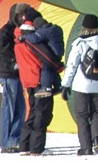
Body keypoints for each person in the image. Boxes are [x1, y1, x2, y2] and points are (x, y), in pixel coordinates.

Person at [15, 8, 65, 156]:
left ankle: (24, 146)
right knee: (42, 114)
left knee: (31, 113)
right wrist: (59, 67)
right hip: (39, 80)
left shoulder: (17, 38)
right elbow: (48, 58)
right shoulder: (32, 40)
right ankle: (37, 148)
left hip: (27, 80)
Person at [61, 13, 98, 155]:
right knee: (97, 113)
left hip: (81, 85)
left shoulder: (80, 43)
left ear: (84, 27)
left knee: (82, 115)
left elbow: (72, 65)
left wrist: (66, 85)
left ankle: (85, 147)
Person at [0, 3, 32, 154]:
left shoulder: (17, 31)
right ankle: (6, 141)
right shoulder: (6, 32)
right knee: (8, 108)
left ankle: (15, 138)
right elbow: (3, 53)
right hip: (8, 75)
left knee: (20, 108)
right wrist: (16, 63)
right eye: (22, 15)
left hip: (16, 74)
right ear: (15, 16)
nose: (24, 18)